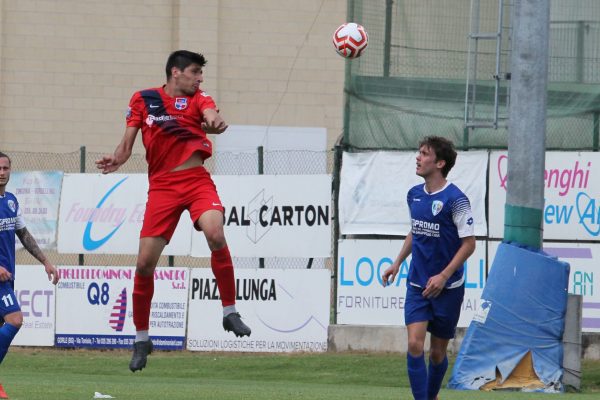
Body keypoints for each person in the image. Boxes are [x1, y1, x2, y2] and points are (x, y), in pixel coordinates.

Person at [96, 50, 251, 373]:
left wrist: (213, 120)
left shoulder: (199, 98)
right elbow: (127, 143)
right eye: (195, 72)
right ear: (176, 72)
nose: (200, 78)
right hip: (163, 188)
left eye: (200, 74)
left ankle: (229, 311)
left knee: (216, 233)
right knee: (143, 265)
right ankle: (141, 339)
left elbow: (210, 113)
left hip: (195, 181)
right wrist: (116, 159)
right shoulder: (143, 99)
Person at [382, 136, 476, 400]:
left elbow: (469, 244)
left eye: (424, 154)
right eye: (419, 152)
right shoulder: (414, 195)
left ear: (440, 163)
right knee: (414, 344)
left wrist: (444, 276)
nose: (418, 157)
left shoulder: (456, 199)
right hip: (417, 284)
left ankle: (431, 395)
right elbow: (416, 231)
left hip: (448, 288)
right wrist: (397, 262)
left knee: (436, 353)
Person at [0, 152, 60, 399]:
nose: (2, 172)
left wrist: (46, 262)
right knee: (15, 319)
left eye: (5, 167)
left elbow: (24, 235)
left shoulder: (11, 201)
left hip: (7, 277)